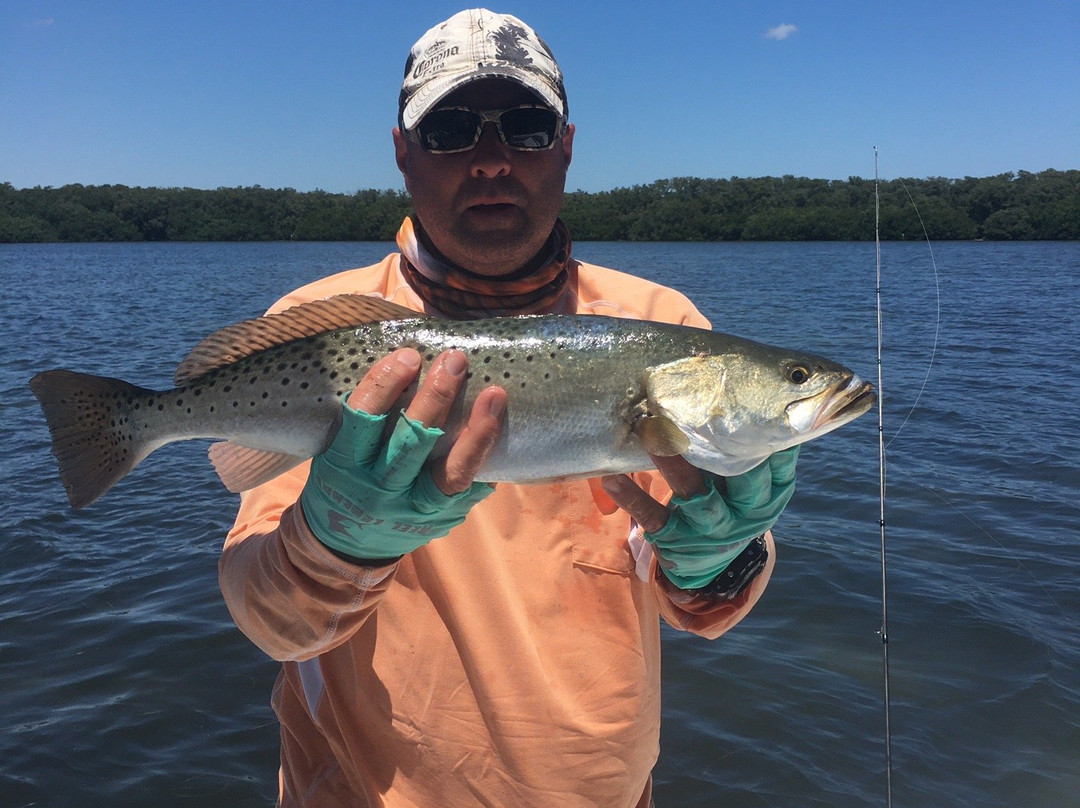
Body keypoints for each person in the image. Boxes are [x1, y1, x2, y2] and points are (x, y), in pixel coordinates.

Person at [219, 9, 798, 807]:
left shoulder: (667, 327)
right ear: (402, 153)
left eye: (525, 128)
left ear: (564, 147)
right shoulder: (319, 327)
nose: (491, 162)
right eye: (452, 128)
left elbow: (700, 604)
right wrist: (333, 545)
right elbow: (272, 622)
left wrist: (724, 558)